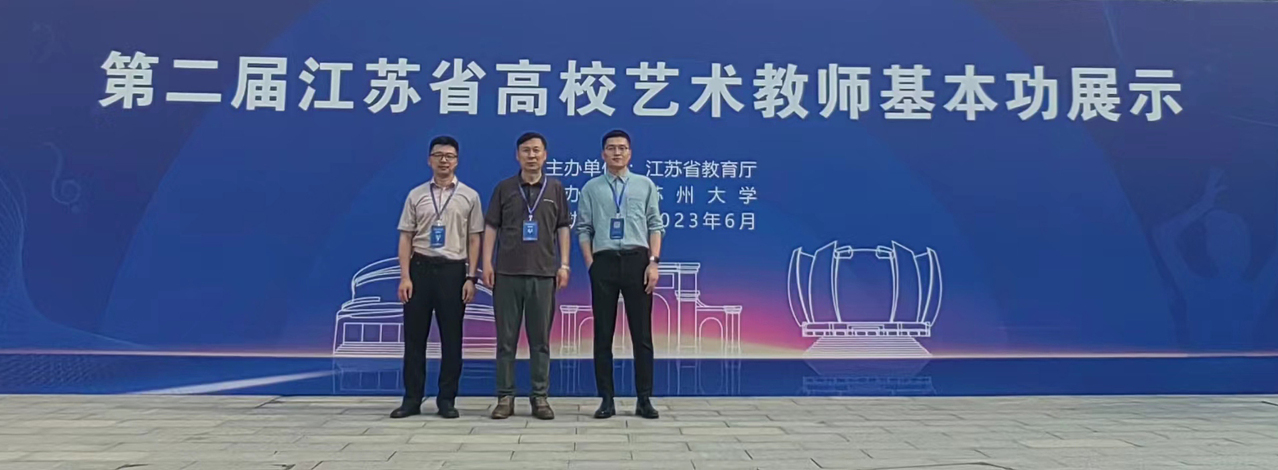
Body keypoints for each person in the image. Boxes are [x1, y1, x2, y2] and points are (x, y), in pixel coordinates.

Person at [391, 136, 484, 419]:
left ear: (457, 161)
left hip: (453, 271)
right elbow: (406, 237)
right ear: (429, 160)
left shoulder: (470, 196)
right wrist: (405, 277)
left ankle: (447, 400)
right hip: (420, 269)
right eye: (439, 155)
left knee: (451, 339)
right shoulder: (416, 195)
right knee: (414, 339)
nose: (444, 160)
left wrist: (471, 277)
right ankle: (412, 399)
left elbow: (475, 239)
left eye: (450, 156)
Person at [482, 132, 572, 420]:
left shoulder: (555, 188)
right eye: (525, 150)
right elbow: (491, 226)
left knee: (540, 340)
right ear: (517, 155)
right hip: (507, 273)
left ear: (545, 155)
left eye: (536, 150)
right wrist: (487, 263)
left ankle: (540, 397)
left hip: (543, 274)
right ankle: (505, 397)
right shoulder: (504, 188)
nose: (531, 155)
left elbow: (563, 228)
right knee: (506, 340)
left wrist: (564, 264)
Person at [577, 129, 663, 419]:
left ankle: (644, 399)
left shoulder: (644, 185)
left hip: (638, 261)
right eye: (611, 148)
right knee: (603, 334)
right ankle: (606, 399)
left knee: (642, 334)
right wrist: (591, 263)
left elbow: (655, 225)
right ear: (603, 153)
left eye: (622, 148)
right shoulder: (591, 188)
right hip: (604, 262)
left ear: (630, 153)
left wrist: (653, 262)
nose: (617, 152)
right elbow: (583, 228)